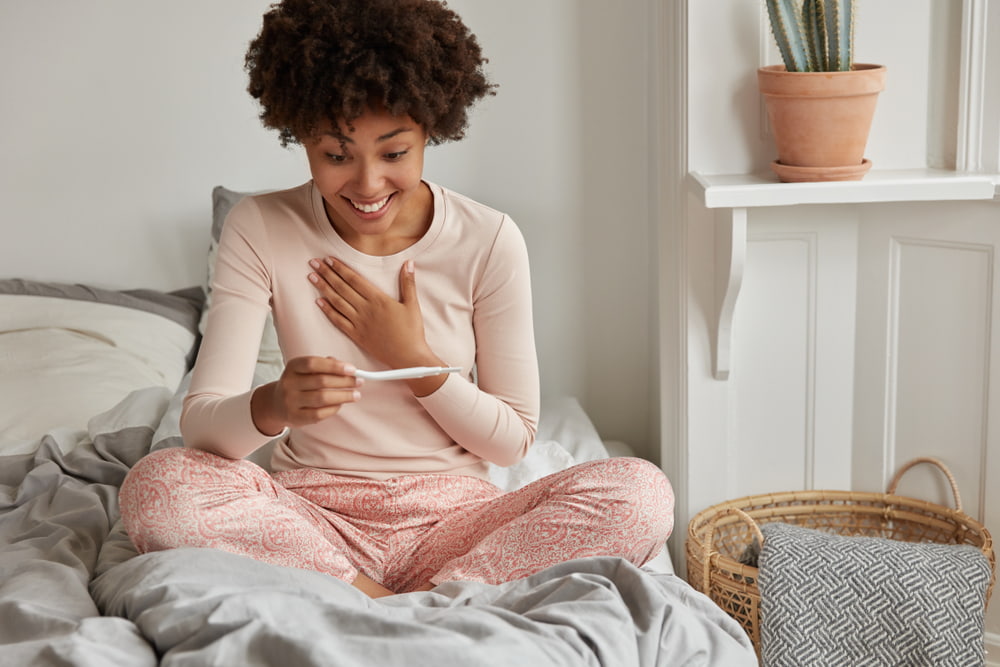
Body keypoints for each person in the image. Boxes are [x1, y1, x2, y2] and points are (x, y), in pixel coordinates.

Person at [120, 0, 673, 599]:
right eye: (336, 154)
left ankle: (420, 595)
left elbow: (512, 440)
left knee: (642, 493)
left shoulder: (488, 239)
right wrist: (275, 402)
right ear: (299, 132)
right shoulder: (260, 225)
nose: (366, 184)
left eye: (394, 152)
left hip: (457, 525)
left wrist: (413, 358)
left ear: (430, 127)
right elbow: (201, 428)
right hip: (313, 520)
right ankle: (409, 603)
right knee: (158, 485)